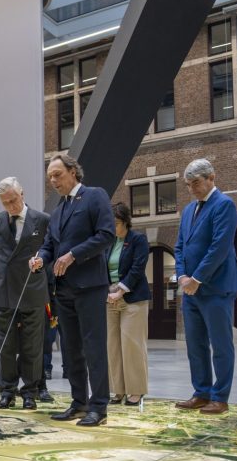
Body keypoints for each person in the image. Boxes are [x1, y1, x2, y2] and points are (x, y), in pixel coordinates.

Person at [31, 154, 114, 427]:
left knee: (94, 348)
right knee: (71, 349)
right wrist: (40, 258)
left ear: (73, 171)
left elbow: (106, 235)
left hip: (90, 286)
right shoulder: (58, 211)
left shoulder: (94, 196)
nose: (53, 181)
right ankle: (79, 403)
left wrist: (73, 255)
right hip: (63, 290)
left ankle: (99, 407)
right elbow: (49, 245)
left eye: (57, 175)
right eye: (50, 178)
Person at [174, 158, 237, 415]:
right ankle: (201, 393)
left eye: (196, 183)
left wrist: (197, 279)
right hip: (190, 290)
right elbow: (180, 247)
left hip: (216, 288)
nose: (191, 189)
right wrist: (182, 276)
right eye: (188, 184)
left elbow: (219, 247)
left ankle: (220, 397)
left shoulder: (224, 205)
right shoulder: (189, 210)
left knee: (221, 345)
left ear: (211, 178)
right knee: (195, 345)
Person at [0, 177, 50, 410]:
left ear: (22, 194)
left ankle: (30, 393)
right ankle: (7, 392)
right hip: (4, 291)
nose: (10, 206)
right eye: (5, 203)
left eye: (13, 200)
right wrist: (7, 273)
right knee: (6, 346)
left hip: (32, 289)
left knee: (32, 346)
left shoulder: (42, 220)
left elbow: (49, 251)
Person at [106, 202, 150, 407]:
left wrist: (121, 291)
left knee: (132, 345)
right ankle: (118, 390)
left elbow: (137, 268)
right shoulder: (108, 242)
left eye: (115, 223)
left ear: (125, 222)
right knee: (112, 346)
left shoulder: (138, 239)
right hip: (109, 298)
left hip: (132, 298)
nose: (113, 227)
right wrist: (107, 291)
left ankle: (136, 391)